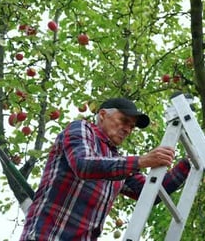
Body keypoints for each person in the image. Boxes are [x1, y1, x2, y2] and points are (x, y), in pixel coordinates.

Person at [20, 97, 191, 240]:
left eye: (131, 126)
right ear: (102, 114)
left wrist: (189, 162)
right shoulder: (81, 129)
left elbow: (151, 192)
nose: (127, 129)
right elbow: (83, 165)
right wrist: (142, 161)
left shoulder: (117, 163)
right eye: (124, 121)